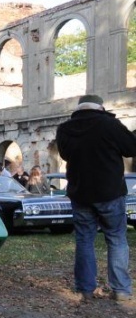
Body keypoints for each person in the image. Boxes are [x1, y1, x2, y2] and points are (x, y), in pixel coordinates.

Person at [56, 94, 136, 306]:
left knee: (84, 240)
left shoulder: (65, 128)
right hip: (110, 192)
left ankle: (85, 290)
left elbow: (64, 155)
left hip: (80, 193)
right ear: (100, 107)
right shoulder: (110, 124)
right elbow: (131, 148)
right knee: (117, 239)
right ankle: (120, 290)